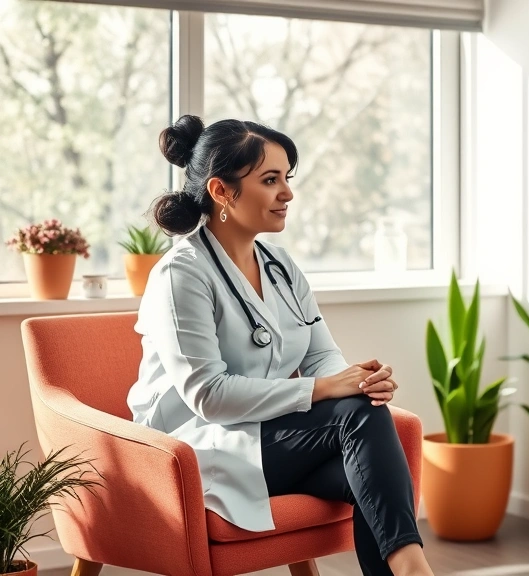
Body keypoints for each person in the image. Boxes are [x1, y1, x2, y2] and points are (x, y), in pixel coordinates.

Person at [127, 115, 435, 576]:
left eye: (286, 178)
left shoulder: (279, 263)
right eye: (270, 180)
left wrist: (356, 380)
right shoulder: (181, 275)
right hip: (195, 447)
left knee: (367, 443)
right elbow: (208, 396)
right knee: (358, 420)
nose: (287, 193)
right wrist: (325, 390)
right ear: (221, 192)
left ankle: (409, 569)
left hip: (265, 434)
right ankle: (414, 571)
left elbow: (319, 353)